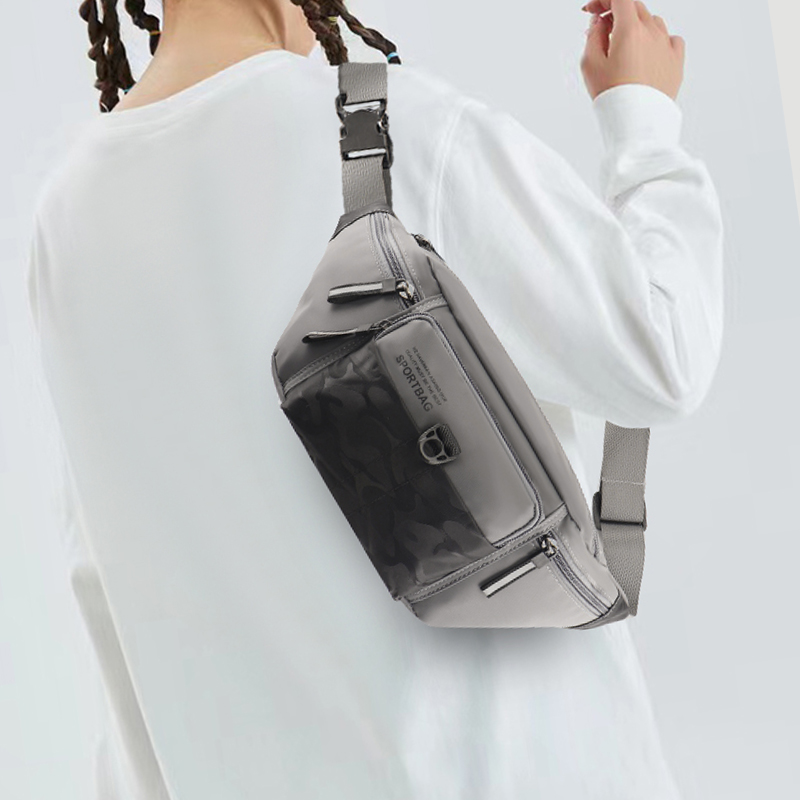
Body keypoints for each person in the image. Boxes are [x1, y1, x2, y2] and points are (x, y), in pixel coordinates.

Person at [25, 0, 723, 797]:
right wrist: (643, 122)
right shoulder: (384, 129)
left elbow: (105, 592)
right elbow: (661, 354)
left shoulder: (70, 215)